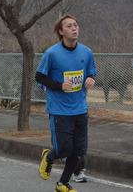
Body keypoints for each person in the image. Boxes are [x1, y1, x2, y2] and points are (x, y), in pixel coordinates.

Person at [36, 15, 96, 192]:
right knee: (64, 149)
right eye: (69, 26)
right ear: (61, 31)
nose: (74, 28)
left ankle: (63, 183)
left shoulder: (86, 52)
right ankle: (49, 156)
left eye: (76, 25)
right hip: (59, 110)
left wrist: (91, 79)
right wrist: (60, 85)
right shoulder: (52, 54)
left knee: (78, 151)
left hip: (80, 108)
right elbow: (39, 77)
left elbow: (92, 72)